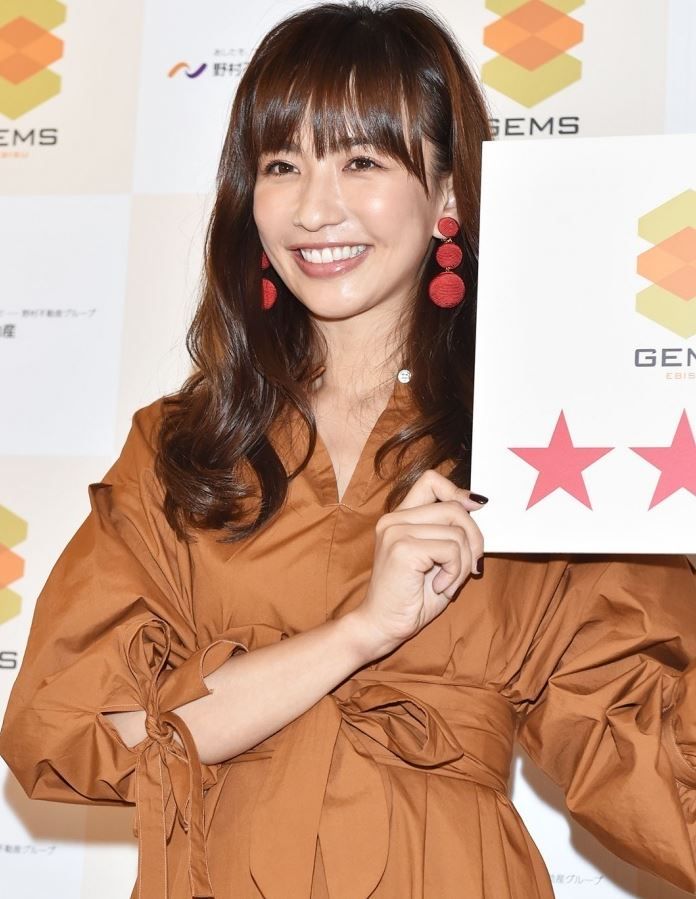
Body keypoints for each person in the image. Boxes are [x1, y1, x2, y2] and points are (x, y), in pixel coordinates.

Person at [1, 1, 695, 897]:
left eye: (362, 160)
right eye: (281, 164)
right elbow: (73, 737)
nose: (315, 207)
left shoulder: (537, 446)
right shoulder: (185, 449)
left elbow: (658, 776)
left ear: (449, 191)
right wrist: (360, 633)